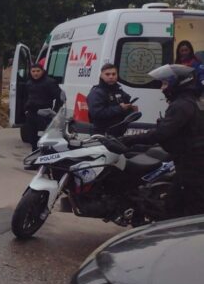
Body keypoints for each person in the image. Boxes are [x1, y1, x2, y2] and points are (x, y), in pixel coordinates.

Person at [121, 64, 204, 216]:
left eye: (165, 83)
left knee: (186, 208)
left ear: (178, 83)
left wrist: (128, 140)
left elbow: (161, 134)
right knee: (176, 205)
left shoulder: (181, 105)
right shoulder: (192, 101)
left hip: (191, 165)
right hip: (192, 162)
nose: (162, 88)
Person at [87, 63, 138, 136]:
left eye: (114, 74)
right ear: (101, 75)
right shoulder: (96, 93)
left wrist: (131, 110)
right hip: (102, 134)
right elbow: (97, 113)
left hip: (118, 133)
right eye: (107, 74)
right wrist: (120, 108)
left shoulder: (119, 91)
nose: (111, 77)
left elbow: (123, 111)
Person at [23, 64, 64, 150]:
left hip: (44, 115)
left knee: (43, 139)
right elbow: (25, 97)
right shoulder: (28, 83)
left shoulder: (50, 82)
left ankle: (43, 157)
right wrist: (26, 110)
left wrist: (55, 112)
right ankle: (34, 155)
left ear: (42, 71)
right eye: (33, 71)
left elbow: (60, 98)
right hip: (31, 114)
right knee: (32, 139)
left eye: (38, 71)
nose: (35, 73)